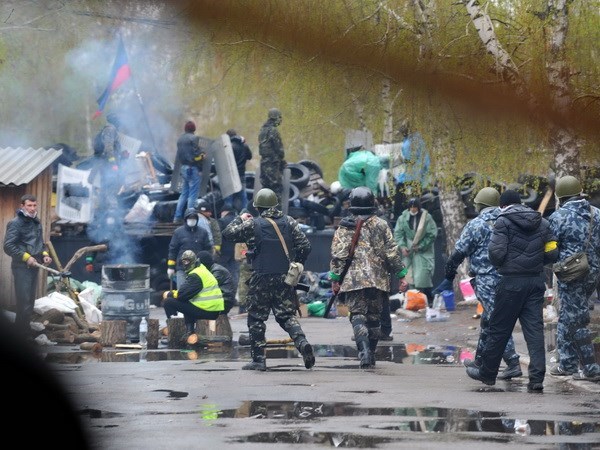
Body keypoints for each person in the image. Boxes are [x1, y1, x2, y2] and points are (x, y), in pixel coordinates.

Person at [466, 190, 558, 392]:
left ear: (503, 205)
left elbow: (496, 254)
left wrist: (507, 265)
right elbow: (553, 252)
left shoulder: (502, 222)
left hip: (510, 282)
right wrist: (535, 263)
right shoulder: (542, 223)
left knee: (499, 328)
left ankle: (488, 373)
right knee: (534, 330)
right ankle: (536, 379)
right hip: (535, 282)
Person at [222, 187, 314, 371]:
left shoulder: (253, 224)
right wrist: (295, 264)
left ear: (258, 207)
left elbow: (228, 233)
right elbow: (306, 245)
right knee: (286, 315)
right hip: (284, 277)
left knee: (256, 318)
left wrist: (240, 218)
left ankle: (258, 360)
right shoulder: (289, 222)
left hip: (261, 276)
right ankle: (301, 342)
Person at [437, 187, 522, 379]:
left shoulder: (476, 225)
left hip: (487, 280)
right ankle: (481, 359)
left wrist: (448, 277)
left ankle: (513, 362)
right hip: (510, 278)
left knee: (497, 322)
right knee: (488, 320)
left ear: (479, 205)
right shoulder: (509, 221)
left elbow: (457, 254)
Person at [329, 186, 409, 369]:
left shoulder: (345, 225)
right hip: (378, 280)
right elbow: (392, 252)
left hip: (354, 280)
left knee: (357, 315)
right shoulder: (381, 224)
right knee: (374, 318)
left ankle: (363, 351)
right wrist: (401, 275)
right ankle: (371, 354)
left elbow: (338, 254)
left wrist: (335, 278)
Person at [548, 175, 600, 382]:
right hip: (593, 273)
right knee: (569, 316)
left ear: (561, 196)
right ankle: (567, 362)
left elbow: (550, 248)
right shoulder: (597, 214)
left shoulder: (558, 217)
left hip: (571, 274)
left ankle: (589, 367)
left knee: (575, 318)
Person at [3, 194, 53, 336]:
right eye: (29, 205)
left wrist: (45, 255)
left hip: (34, 266)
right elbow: (8, 246)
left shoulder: (36, 221)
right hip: (22, 267)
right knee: (23, 301)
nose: (32, 208)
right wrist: (26, 257)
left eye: (34, 205)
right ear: (22, 206)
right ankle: (21, 334)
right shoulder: (15, 223)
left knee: (30, 301)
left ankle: (25, 331)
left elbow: (40, 244)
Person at [162, 250, 224, 336]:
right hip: (212, 309)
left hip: (208, 310)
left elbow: (182, 295)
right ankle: (189, 331)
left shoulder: (196, 274)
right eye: (184, 261)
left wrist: (169, 294)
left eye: (187, 261)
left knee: (168, 302)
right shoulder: (201, 269)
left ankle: (176, 333)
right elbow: (186, 292)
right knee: (187, 303)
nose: (185, 264)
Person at [393, 197, 438, 306]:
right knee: (409, 276)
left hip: (423, 252)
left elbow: (432, 234)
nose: (413, 209)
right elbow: (398, 234)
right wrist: (402, 247)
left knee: (422, 276)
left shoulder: (426, 218)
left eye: (415, 207)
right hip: (408, 251)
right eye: (411, 207)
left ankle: (423, 300)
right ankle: (413, 301)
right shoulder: (402, 218)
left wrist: (421, 246)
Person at [167, 208, 212, 289]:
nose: (192, 220)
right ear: (186, 219)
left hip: (198, 268)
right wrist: (170, 267)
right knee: (182, 291)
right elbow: (173, 250)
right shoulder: (178, 232)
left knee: (197, 292)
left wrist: (209, 266)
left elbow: (208, 249)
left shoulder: (203, 232)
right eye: (190, 218)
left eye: (194, 218)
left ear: (197, 219)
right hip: (182, 268)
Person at [173, 120, 205, 224]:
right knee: (193, 195)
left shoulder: (180, 139)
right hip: (193, 168)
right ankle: (189, 217)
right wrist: (202, 157)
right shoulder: (194, 138)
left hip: (184, 168)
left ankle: (177, 217)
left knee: (184, 194)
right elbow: (196, 156)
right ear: (194, 129)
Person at [258, 108, 286, 203]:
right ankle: (277, 212)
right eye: (279, 118)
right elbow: (278, 148)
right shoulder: (273, 131)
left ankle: (264, 209)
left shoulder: (263, 130)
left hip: (264, 162)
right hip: (272, 163)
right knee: (276, 188)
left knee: (265, 187)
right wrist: (281, 158)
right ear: (275, 118)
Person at [223, 129, 253, 212]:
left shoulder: (229, 147)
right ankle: (247, 214)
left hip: (231, 175)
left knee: (229, 198)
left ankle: (228, 216)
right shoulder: (244, 146)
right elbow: (250, 157)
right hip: (241, 174)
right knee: (243, 196)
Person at [197, 250, 235, 315]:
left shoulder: (217, 271)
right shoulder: (211, 270)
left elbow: (208, 286)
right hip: (217, 300)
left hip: (224, 301)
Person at [217, 207, 241, 298]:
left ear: (224, 212)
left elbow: (218, 236)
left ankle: (223, 295)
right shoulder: (239, 221)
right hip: (236, 252)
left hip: (223, 252)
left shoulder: (222, 221)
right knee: (234, 274)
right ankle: (232, 296)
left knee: (221, 274)